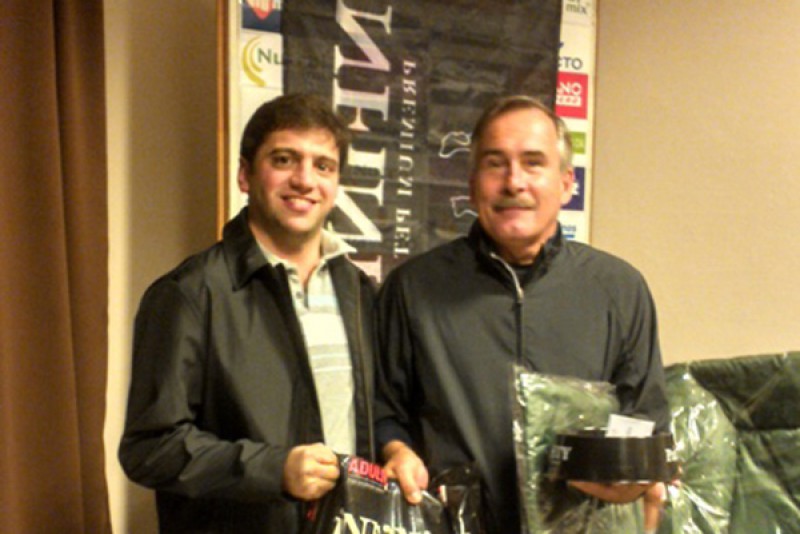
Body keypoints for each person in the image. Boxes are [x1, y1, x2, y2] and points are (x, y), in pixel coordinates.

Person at [374, 95, 670, 532]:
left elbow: (644, 418)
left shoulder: (619, 289)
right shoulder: (413, 288)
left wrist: (632, 475)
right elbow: (383, 411)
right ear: (472, 185)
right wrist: (396, 451)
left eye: (533, 163)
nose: (514, 182)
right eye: (495, 164)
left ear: (567, 184)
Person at [119, 93, 376, 532]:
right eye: (284, 160)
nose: (305, 180)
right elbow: (149, 448)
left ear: (336, 185)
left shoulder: (359, 292)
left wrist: (396, 450)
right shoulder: (188, 294)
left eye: (323, 166)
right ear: (245, 174)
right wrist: (274, 470)